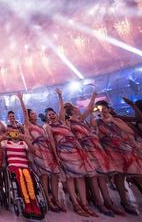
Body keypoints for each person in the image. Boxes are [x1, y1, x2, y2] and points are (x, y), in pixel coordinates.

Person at [63, 92, 122, 216]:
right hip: (86, 152)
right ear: (71, 112)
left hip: (96, 149)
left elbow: (90, 109)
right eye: (75, 108)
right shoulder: (69, 123)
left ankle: (108, 202)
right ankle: (99, 203)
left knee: (101, 176)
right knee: (93, 177)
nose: (78, 109)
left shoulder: (81, 120)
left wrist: (93, 97)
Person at [44, 88, 97, 217]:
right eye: (49, 115)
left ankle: (84, 204)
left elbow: (62, 109)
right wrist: (57, 156)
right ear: (47, 118)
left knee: (81, 178)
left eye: (53, 113)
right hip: (64, 153)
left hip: (76, 151)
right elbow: (52, 143)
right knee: (70, 180)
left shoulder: (64, 122)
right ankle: (76, 204)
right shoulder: (49, 127)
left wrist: (60, 96)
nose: (52, 115)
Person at [95, 100, 142, 215]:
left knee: (141, 176)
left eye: (106, 109)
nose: (104, 111)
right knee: (119, 177)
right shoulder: (98, 123)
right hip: (112, 152)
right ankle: (125, 202)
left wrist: (114, 121)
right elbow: (98, 137)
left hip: (128, 151)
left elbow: (129, 132)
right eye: (101, 110)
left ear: (110, 109)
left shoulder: (117, 119)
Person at [17, 93, 62, 212]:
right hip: (38, 152)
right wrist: (21, 99)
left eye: (33, 113)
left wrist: (55, 154)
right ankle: (48, 200)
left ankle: (56, 199)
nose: (34, 114)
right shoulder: (28, 125)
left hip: (47, 151)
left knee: (55, 175)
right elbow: (24, 113)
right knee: (44, 176)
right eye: (32, 113)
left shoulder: (42, 126)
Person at [0, 131, 42, 219]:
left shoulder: (23, 143)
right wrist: (2, 137)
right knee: (20, 176)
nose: (14, 134)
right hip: (13, 166)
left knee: (27, 176)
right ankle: (27, 202)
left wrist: (25, 139)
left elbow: (33, 150)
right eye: (12, 133)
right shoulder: (6, 143)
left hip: (24, 165)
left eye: (16, 132)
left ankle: (34, 203)